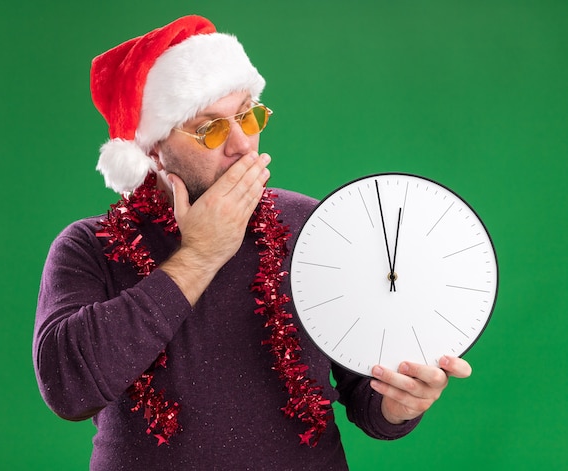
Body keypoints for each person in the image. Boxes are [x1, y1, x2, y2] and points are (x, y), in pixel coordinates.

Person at [33, 15, 472, 470]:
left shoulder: (309, 224)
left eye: (247, 114)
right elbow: (68, 389)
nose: (242, 145)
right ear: (153, 149)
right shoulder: (90, 246)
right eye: (211, 128)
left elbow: (363, 392)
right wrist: (201, 255)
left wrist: (397, 404)